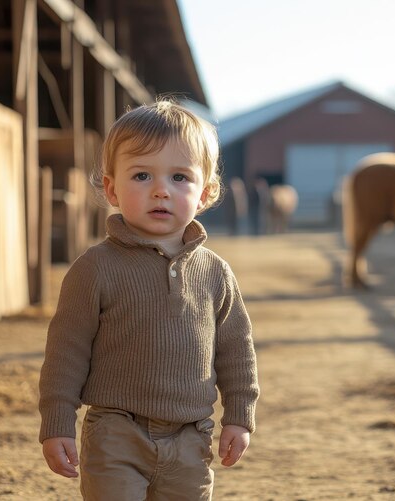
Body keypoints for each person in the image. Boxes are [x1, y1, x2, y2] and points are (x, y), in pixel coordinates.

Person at [38, 99, 260, 500]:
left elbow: (236, 351)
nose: (161, 190)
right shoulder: (95, 268)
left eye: (179, 177)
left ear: (205, 192)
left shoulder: (215, 273)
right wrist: (57, 422)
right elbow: (66, 351)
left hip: (192, 436)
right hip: (115, 431)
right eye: (141, 175)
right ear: (112, 190)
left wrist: (240, 417)